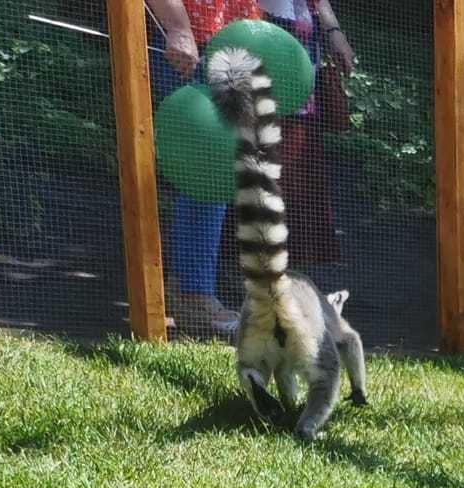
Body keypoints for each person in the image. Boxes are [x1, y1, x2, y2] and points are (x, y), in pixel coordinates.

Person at [144, 0, 262, 338]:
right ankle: (192, 295)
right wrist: (178, 27)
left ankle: (190, 289)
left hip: (227, 46)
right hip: (189, 43)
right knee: (207, 167)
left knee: (221, 167)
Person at [252, 0, 355, 284]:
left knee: (299, 178)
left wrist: (334, 30)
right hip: (263, 84)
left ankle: (289, 272)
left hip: (302, 84)